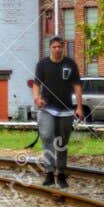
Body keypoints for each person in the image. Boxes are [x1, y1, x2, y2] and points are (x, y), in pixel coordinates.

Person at [30, 36, 82, 187]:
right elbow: (36, 84)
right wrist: (36, 98)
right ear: (50, 48)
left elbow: (77, 86)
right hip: (47, 108)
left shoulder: (70, 64)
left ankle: (61, 174)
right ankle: (49, 173)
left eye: (59, 47)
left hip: (66, 109)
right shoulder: (42, 64)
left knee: (61, 142)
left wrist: (78, 107)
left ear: (63, 48)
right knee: (47, 137)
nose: (57, 49)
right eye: (54, 47)